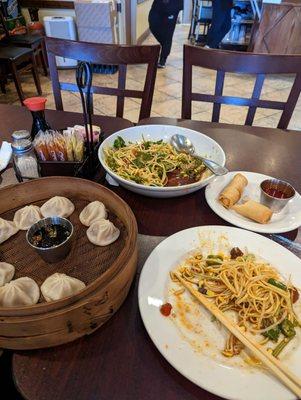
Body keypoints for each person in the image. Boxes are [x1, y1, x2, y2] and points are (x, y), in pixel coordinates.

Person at [149, 0, 184, 68]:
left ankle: (163, 60)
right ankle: (165, 44)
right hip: (158, 4)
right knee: (152, 24)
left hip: (173, 6)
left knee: (168, 33)